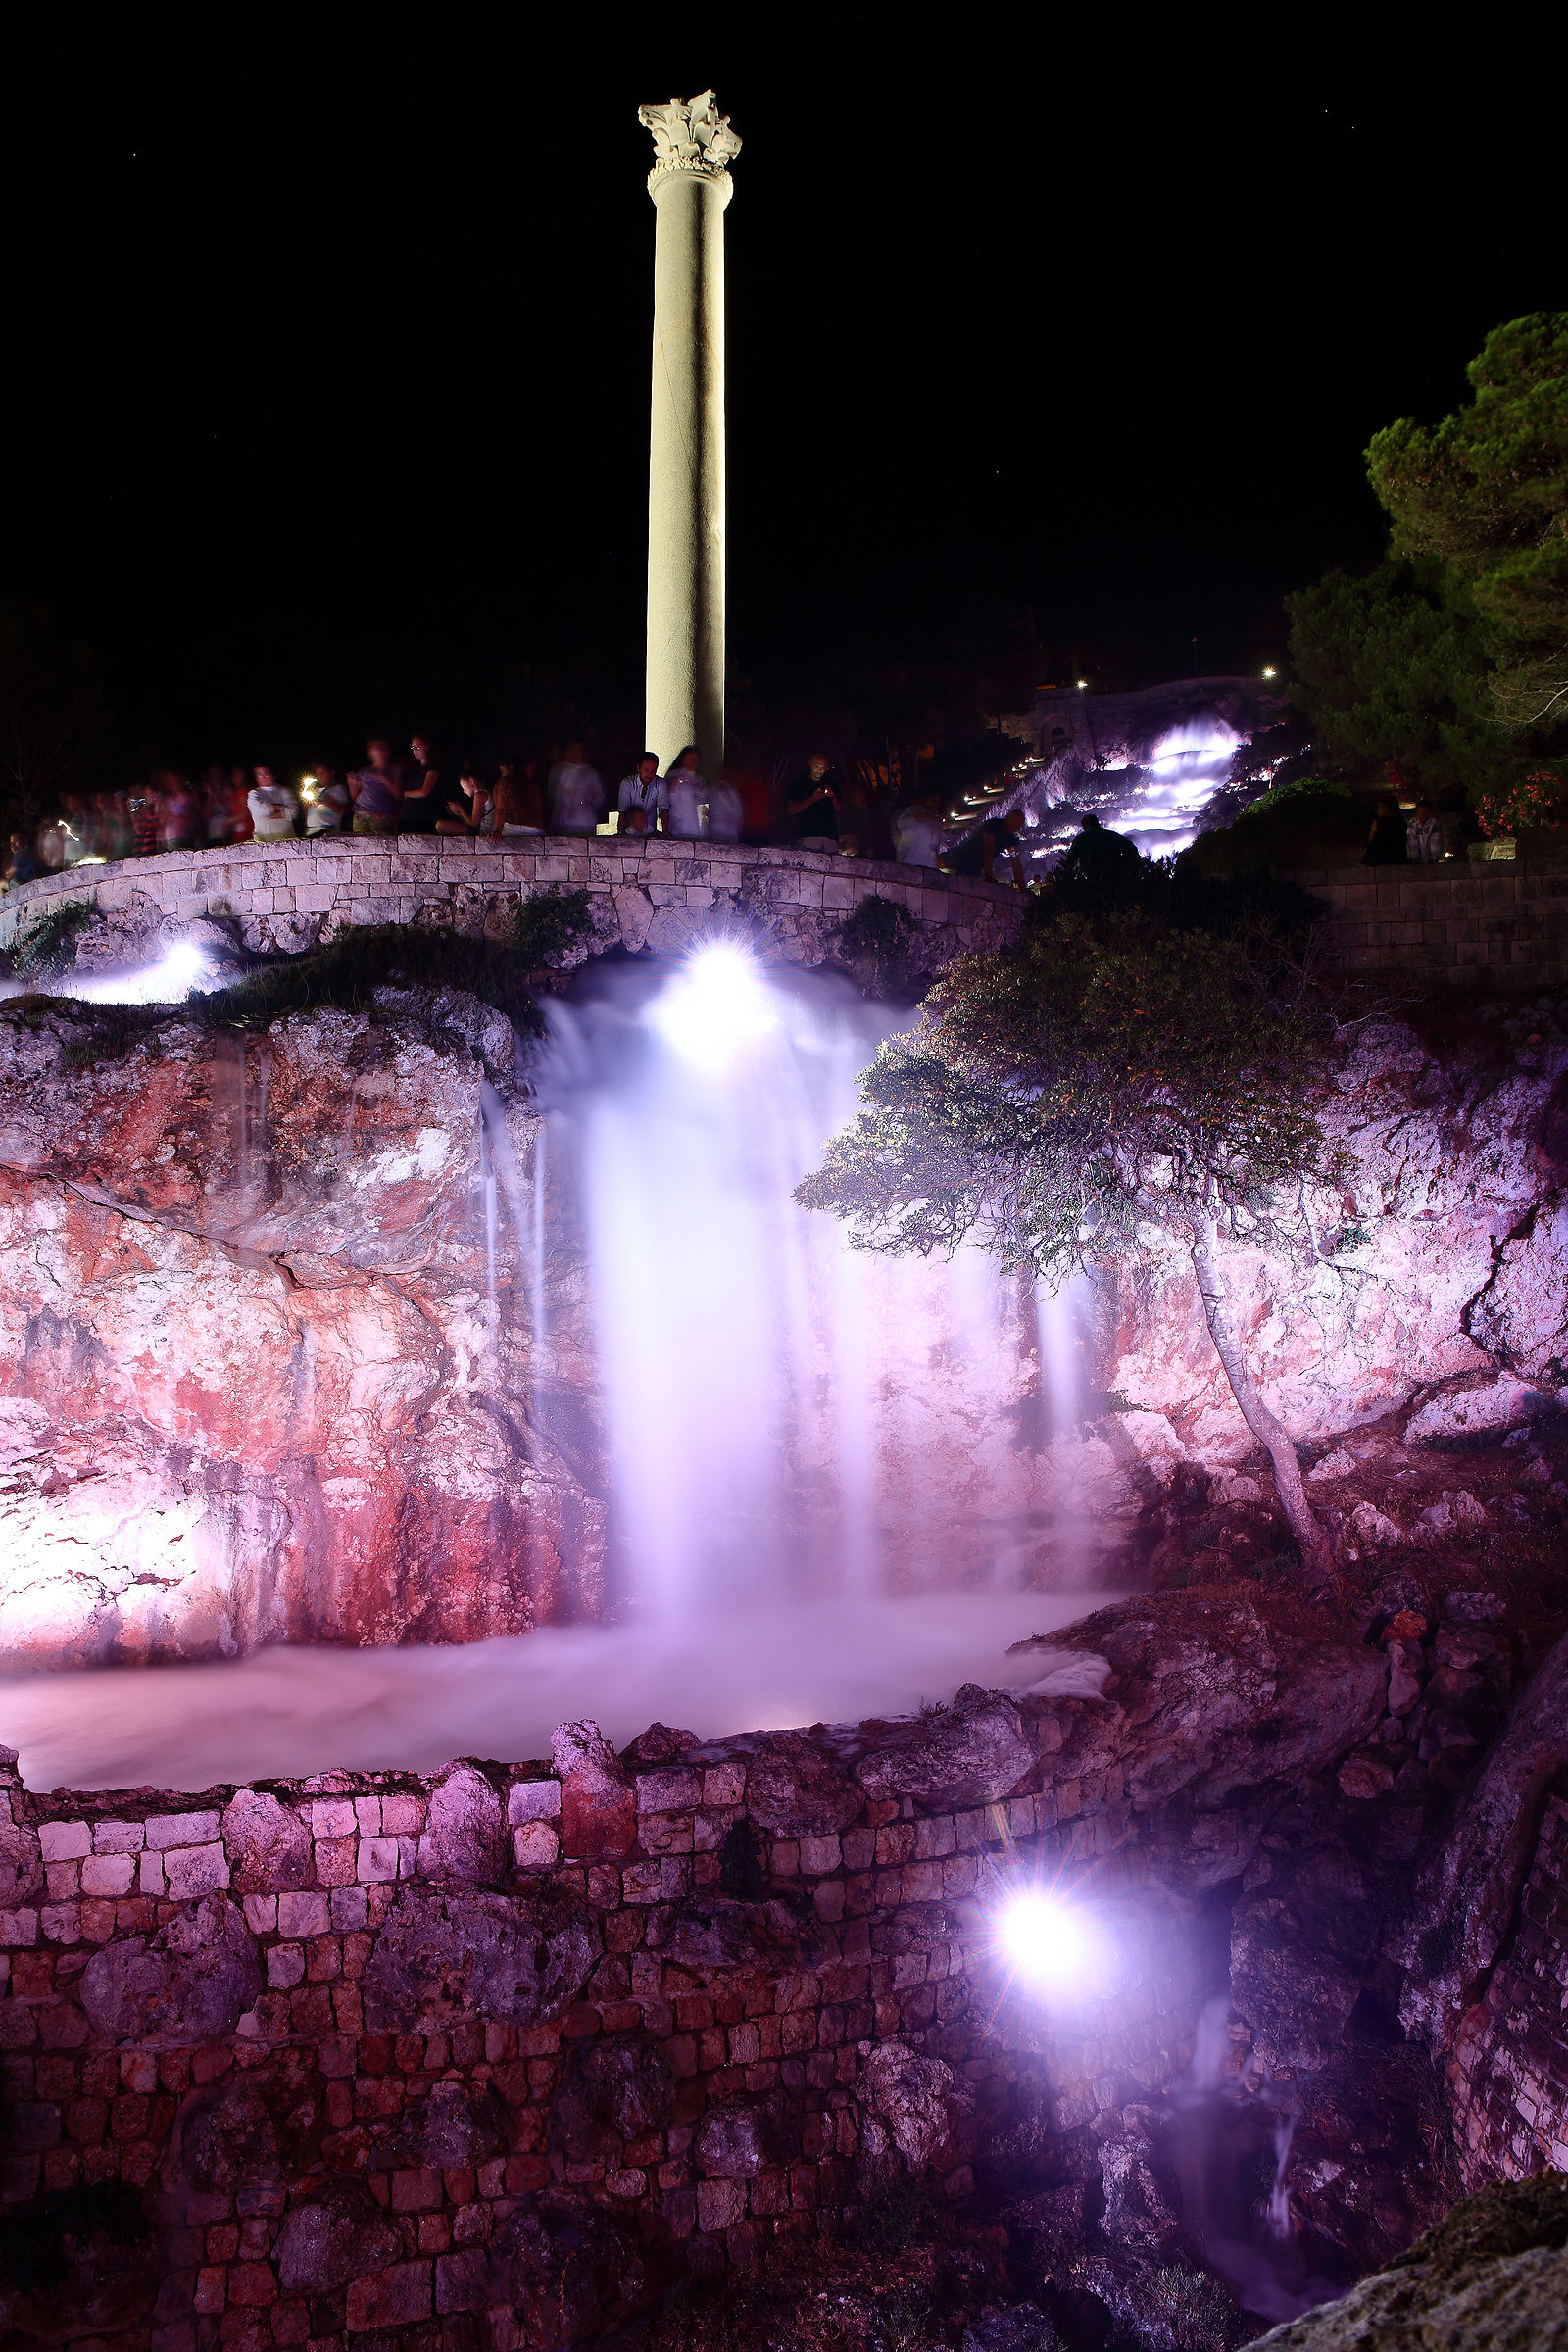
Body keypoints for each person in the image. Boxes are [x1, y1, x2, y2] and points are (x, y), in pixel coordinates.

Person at [548, 741, 605, 835]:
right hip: (564, 823)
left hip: (585, 822)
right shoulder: (558, 771)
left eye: (578, 751)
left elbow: (599, 799)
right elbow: (553, 796)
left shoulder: (591, 773)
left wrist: (592, 794)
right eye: (572, 750)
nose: (575, 753)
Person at [787, 754, 839, 854]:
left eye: (823, 767)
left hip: (830, 838)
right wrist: (812, 799)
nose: (819, 770)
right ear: (810, 764)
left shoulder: (831, 784)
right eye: (817, 766)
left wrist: (832, 796)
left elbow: (841, 811)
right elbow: (791, 809)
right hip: (808, 835)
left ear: (827, 769)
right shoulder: (799, 783)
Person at [350, 737, 402, 834]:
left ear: (387, 751)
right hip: (361, 814)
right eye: (375, 748)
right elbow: (354, 796)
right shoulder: (364, 771)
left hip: (382, 814)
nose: (378, 751)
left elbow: (398, 794)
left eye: (381, 748)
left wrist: (383, 779)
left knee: (380, 846)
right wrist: (351, 785)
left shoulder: (394, 770)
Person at [617, 753, 667, 835]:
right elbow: (623, 811)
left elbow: (664, 809)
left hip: (651, 833)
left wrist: (665, 832)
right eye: (646, 770)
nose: (650, 774)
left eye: (653, 771)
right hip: (629, 833)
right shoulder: (627, 783)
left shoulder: (660, 784)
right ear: (638, 768)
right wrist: (621, 834)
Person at [248, 764, 300, 842]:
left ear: (273, 775)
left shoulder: (285, 792)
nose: (262, 778)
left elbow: (293, 812)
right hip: (263, 839)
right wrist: (281, 807)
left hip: (285, 838)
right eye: (259, 775)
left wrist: (271, 815)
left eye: (266, 774)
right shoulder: (254, 794)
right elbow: (258, 810)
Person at [491, 762, 546, 836]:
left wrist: (497, 831)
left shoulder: (503, 783)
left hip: (513, 829)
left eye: (503, 772)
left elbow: (500, 809)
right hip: (536, 829)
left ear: (511, 768)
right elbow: (539, 808)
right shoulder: (534, 785)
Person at [664, 746, 707, 840]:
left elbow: (702, 801)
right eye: (690, 759)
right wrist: (674, 784)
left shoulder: (699, 780)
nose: (692, 763)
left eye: (695, 760)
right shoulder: (673, 775)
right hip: (677, 822)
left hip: (694, 823)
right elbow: (667, 799)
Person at [893, 792, 945, 868]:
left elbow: (937, 842)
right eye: (933, 801)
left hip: (930, 862)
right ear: (926, 799)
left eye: (938, 802)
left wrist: (937, 857)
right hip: (911, 859)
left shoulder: (937, 819)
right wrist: (922, 816)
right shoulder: (913, 810)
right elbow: (901, 823)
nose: (935, 805)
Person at [158, 771, 201, 851]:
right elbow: (162, 819)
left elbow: (189, 820)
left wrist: (172, 818)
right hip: (169, 838)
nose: (170, 783)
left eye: (172, 780)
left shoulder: (186, 798)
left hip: (182, 837)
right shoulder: (168, 799)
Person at [303, 764, 350, 835]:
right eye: (318, 774)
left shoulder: (338, 788)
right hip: (310, 831)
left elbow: (341, 810)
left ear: (332, 772)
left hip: (327, 830)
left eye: (322, 773)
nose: (320, 776)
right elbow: (305, 813)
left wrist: (323, 801)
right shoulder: (315, 791)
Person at [1363, 793, 1409, 866]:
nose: (1377, 810)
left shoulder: (1378, 823)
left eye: (1379, 807)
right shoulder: (1402, 823)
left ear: (1385, 808)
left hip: (1379, 860)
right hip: (1399, 859)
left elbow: (1371, 841)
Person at [707, 769, 744, 843]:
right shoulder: (716, 790)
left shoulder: (732, 791)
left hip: (729, 832)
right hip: (719, 831)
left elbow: (737, 812)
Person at [1406, 798, 1443, 863]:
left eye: (1425, 813)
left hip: (1430, 860)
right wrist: (1414, 861)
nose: (1422, 815)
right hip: (1416, 861)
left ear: (1429, 813)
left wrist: (1433, 860)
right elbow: (1412, 843)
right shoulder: (1412, 824)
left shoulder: (1434, 824)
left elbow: (1435, 843)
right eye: (1419, 813)